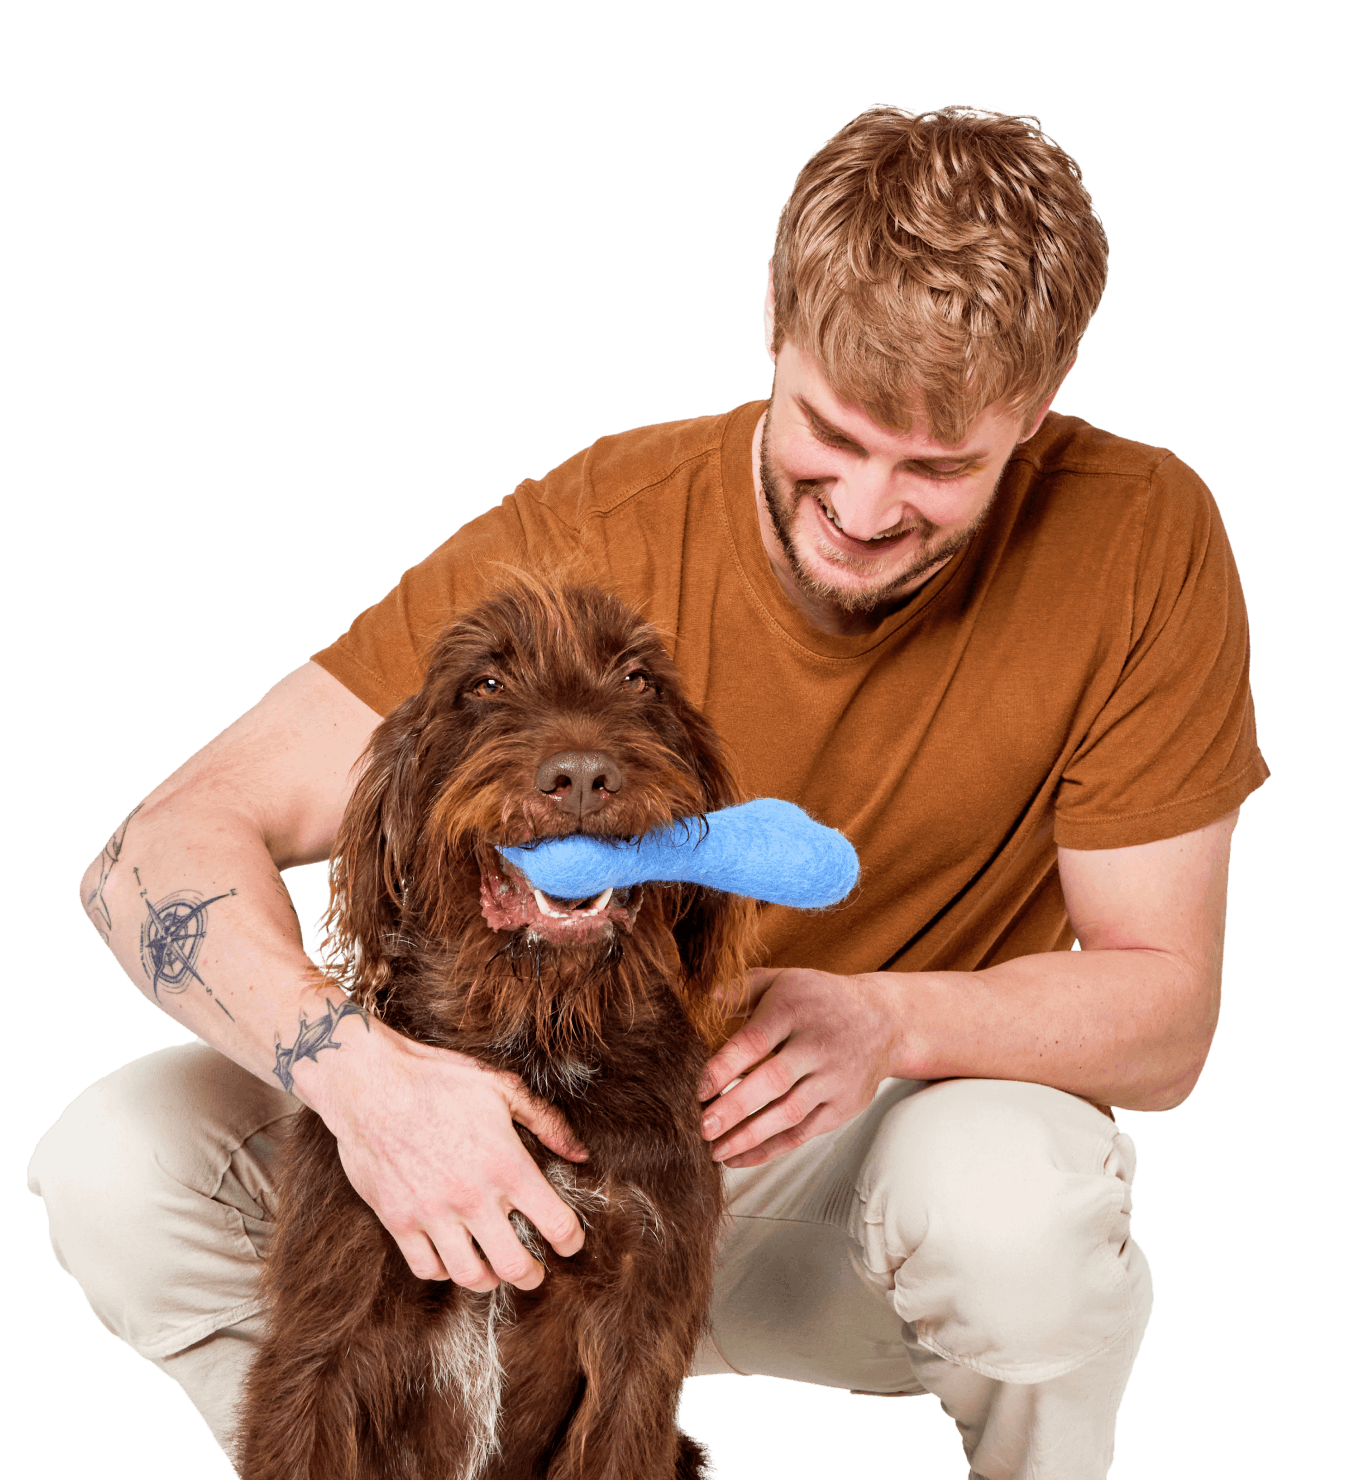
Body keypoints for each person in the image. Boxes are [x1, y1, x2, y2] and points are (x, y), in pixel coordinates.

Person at [29, 104, 1267, 1479]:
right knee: (116, 1163)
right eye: (832, 433)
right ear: (773, 330)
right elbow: (156, 847)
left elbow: (1167, 1016)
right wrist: (366, 1083)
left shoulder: (1141, 536)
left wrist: (885, 1017)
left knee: (1024, 1209)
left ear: (1034, 415)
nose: (863, 508)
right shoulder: (599, 526)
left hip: (828, 1182)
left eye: (938, 468)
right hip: (495, 1151)